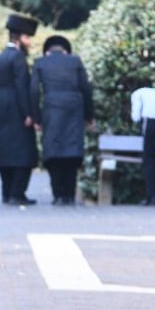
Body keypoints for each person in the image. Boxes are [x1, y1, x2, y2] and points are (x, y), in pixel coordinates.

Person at [30, 35, 94, 205]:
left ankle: (58, 194)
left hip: (51, 110)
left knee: (53, 151)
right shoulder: (75, 61)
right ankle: (69, 195)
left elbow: (34, 92)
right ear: (65, 51)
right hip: (75, 109)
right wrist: (89, 116)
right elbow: (86, 89)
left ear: (48, 51)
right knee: (72, 151)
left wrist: (36, 118)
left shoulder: (40, 63)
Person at [0, 14, 40, 205]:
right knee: (23, 152)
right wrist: (29, 113)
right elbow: (22, 87)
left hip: (1, 109)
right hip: (16, 110)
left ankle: (6, 192)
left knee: (4, 151)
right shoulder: (18, 58)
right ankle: (17, 193)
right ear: (19, 38)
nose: (29, 43)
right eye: (27, 38)